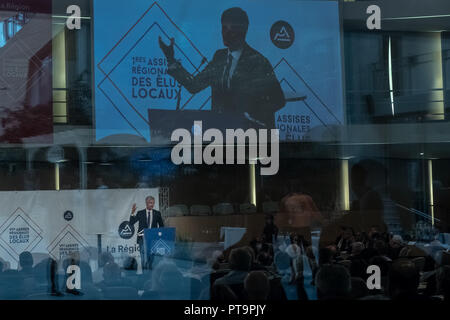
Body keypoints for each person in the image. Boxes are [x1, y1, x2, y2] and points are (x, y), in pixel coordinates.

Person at [159, 7, 285, 129]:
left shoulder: (258, 61)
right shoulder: (219, 57)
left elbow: (278, 100)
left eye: (232, 29)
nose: (226, 33)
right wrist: (170, 59)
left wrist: (252, 115)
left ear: (243, 31)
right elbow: (194, 85)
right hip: (219, 136)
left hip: (248, 137)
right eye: (224, 28)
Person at [129, 196, 164, 270]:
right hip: (142, 239)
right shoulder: (140, 213)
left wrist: (159, 235)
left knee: (152, 257)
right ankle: (144, 274)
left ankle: (151, 272)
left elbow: (161, 226)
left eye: (153, 203)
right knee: (143, 257)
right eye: (150, 203)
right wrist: (132, 212)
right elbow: (131, 223)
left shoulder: (157, 213)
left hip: (153, 239)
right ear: (146, 203)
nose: (152, 204)